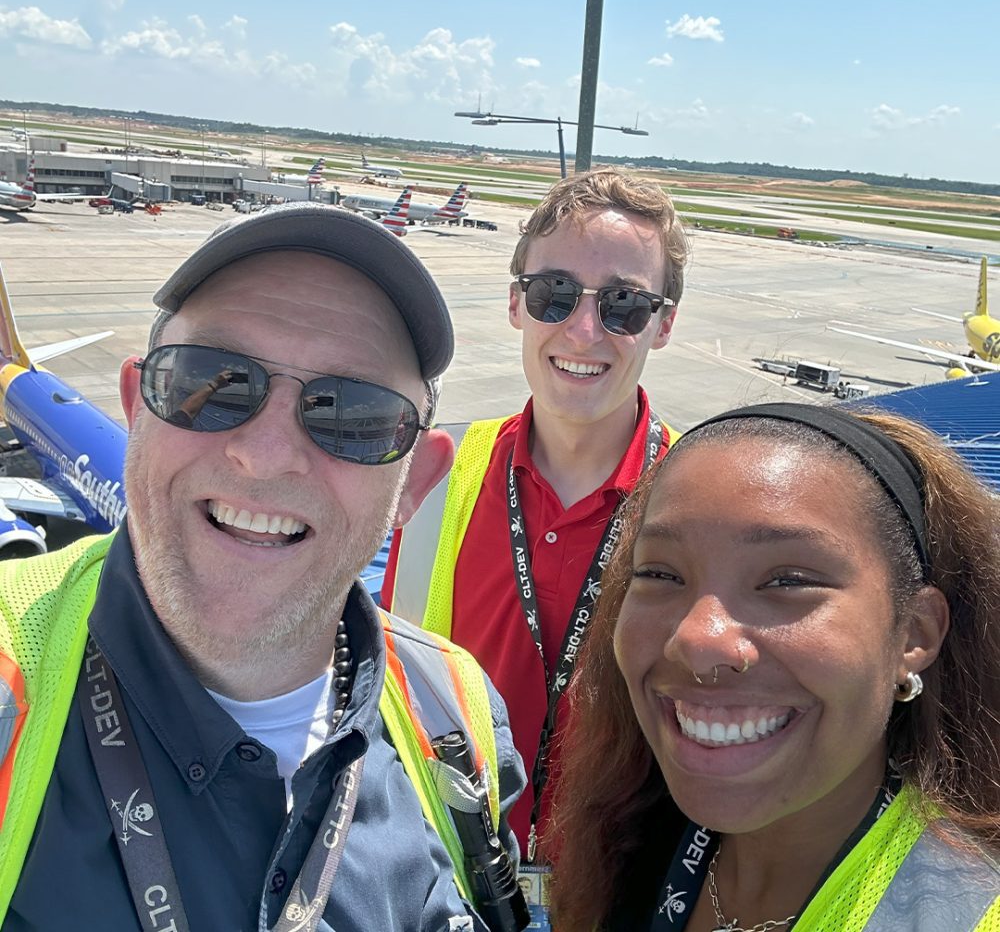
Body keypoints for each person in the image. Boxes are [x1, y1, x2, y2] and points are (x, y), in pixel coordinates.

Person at [0, 204, 526, 931]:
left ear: (416, 483)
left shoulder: (456, 714)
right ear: (134, 408)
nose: (266, 454)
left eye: (351, 415)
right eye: (212, 382)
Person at [548, 402, 1000, 931]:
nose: (699, 640)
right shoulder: (625, 853)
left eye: (788, 580)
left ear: (914, 634)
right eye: (660, 574)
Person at [384, 169, 689, 864]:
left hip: (619, 891)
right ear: (518, 304)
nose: (584, 332)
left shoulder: (700, 501)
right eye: (555, 295)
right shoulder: (432, 475)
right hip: (445, 881)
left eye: (624, 305)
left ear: (663, 323)